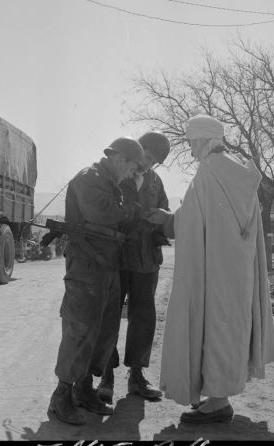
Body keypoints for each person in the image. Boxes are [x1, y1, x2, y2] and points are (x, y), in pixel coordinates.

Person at [144, 114, 274, 424]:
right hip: (236, 272)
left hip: (216, 271)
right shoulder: (236, 170)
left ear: (205, 140)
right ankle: (218, 396)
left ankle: (219, 402)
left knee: (215, 328)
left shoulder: (210, 171)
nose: (191, 150)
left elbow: (191, 219)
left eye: (192, 143)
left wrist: (165, 219)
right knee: (228, 327)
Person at [47, 137, 145, 426]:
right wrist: (133, 210)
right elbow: (102, 214)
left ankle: (84, 390)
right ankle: (61, 397)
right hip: (87, 267)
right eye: (132, 168)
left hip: (106, 266)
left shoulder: (108, 180)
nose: (132, 175)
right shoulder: (90, 178)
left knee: (104, 331)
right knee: (80, 329)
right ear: (120, 159)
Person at [97, 132, 171, 404]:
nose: (147, 163)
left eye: (154, 161)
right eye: (147, 156)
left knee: (143, 317)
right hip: (116, 258)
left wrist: (159, 221)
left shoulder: (155, 182)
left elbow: (164, 210)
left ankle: (137, 376)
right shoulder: (118, 173)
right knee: (110, 316)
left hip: (146, 259)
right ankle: (106, 377)